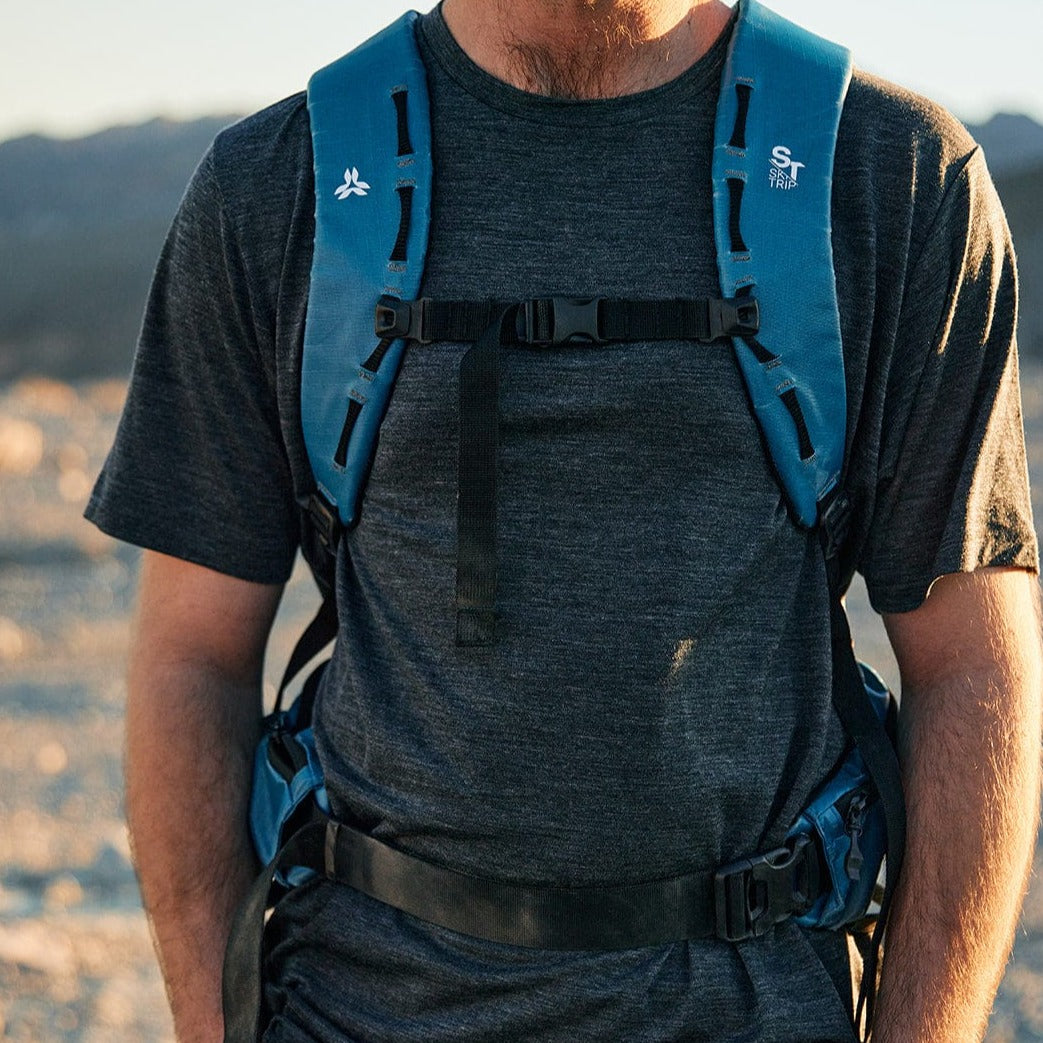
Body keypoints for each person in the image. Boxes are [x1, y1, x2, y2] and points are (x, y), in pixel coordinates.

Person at [86, 0, 1043, 1040]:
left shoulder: (887, 175)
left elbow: (971, 665)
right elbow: (192, 655)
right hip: (352, 1006)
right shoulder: (281, 182)